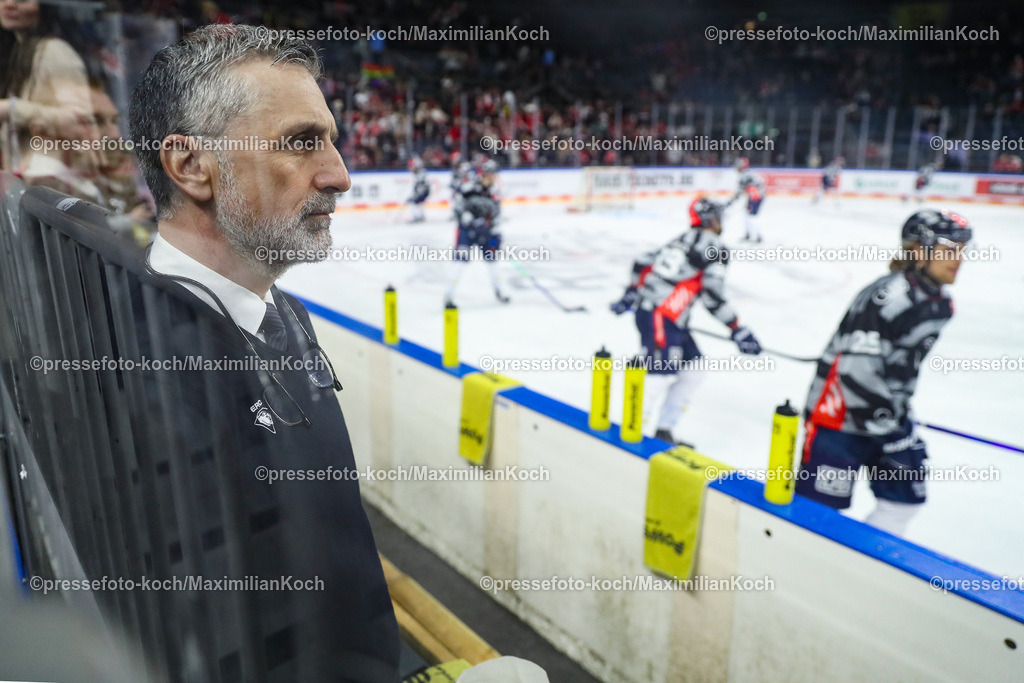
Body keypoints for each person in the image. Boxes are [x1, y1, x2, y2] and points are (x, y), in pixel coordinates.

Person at [128, 24, 399, 679]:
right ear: (191, 166)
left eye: (330, 140)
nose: (340, 175)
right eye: (302, 143)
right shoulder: (149, 371)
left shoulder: (282, 314)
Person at [797, 209, 974, 537]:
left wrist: (899, 418)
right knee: (816, 518)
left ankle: (858, 572)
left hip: (885, 419)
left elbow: (897, 369)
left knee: (905, 501)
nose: (959, 259)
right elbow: (854, 373)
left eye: (964, 249)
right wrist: (893, 431)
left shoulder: (939, 303)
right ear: (919, 250)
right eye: (950, 249)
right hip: (838, 420)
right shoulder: (887, 298)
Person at [610, 196, 762, 446]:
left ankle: (663, 431)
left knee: (694, 369)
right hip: (661, 315)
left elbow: (642, 263)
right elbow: (712, 294)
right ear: (710, 220)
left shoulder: (680, 239)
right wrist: (737, 328)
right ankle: (629, 438)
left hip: (667, 317)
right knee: (657, 374)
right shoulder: (715, 246)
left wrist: (630, 292)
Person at [1, 0, 92, 171]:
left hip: (56, 183)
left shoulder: (55, 51)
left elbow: (79, 121)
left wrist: (12, 109)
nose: (9, 4)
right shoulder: (22, 51)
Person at [728, 157, 767, 242]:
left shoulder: (745, 175)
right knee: (748, 215)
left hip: (756, 197)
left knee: (752, 216)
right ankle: (749, 234)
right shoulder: (749, 173)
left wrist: (731, 202)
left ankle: (758, 236)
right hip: (754, 196)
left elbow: (740, 191)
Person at [407, 156, 429, 222]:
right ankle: (420, 215)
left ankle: (417, 216)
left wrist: (416, 194)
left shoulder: (421, 172)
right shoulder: (419, 172)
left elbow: (420, 183)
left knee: (415, 201)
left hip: (423, 191)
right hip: (422, 191)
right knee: (418, 202)